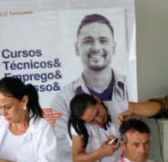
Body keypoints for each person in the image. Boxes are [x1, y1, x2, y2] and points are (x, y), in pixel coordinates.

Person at [51, 14, 160, 144]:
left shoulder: (122, 92)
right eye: (88, 41)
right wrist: (105, 148)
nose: (96, 48)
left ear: (113, 47)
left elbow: (156, 107)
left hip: (122, 161)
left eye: (103, 40)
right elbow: (67, 148)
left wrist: (133, 112)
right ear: (76, 48)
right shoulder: (63, 98)